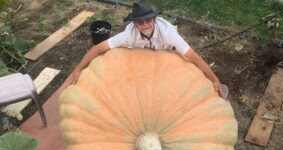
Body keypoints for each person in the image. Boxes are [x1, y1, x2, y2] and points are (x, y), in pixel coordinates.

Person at [71, 0, 227, 99]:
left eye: (148, 20)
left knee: (176, 89)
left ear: (154, 19)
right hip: (145, 58)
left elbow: (193, 57)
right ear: (134, 23)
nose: (145, 24)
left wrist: (214, 79)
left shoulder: (168, 34)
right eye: (140, 22)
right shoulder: (129, 34)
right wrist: (78, 69)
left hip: (168, 57)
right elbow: (99, 48)